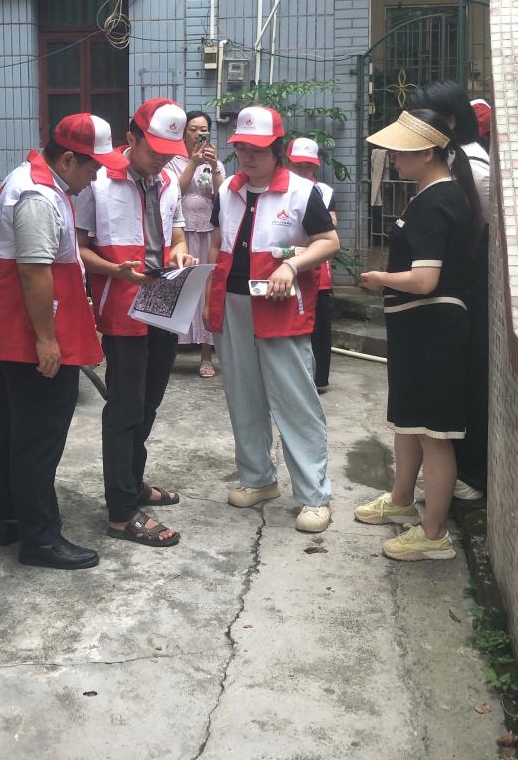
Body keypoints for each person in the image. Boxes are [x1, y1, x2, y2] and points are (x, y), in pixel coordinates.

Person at [0, 113, 126, 571]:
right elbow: (34, 271)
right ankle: (40, 538)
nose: (96, 177)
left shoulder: (33, 179)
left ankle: (11, 518)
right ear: (69, 158)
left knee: (15, 430)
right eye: (93, 167)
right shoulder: (38, 196)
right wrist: (46, 340)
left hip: (16, 331)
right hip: (31, 333)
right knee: (40, 437)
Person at [355, 109, 484, 561]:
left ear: (428, 152)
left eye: (400, 151)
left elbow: (425, 279)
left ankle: (433, 536)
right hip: (419, 330)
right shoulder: (433, 195)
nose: (393, 158)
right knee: (410, 424)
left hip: (433, 331)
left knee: (434, 434)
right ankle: (401, 501)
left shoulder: (435, 201)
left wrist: (380, 278)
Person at [205, 106, 340, 533]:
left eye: (257, 150)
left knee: (295, 400)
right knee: (242, 395)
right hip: (233, 303)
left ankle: (314, 495)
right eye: (242, 148)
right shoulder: (227, 189)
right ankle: (258, 478)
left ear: (277, 149)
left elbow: (328, 242)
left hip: (280, 306)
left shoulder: (302, 192)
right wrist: (206, 292)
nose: (248, 157)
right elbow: (217, 244)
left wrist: (292, 265)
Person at [76, 98, 194, 549]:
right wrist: (115, 271)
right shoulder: (98, 182)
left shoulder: (168, 181)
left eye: (170, 151)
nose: (162, 159)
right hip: (122, 307)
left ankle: (132, 481)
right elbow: (78, 248)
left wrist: (181, 253)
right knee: (125, 407)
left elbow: (177, 234)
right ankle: (121, 513)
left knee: (150, 402)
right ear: (131, 138)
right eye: (155, 150)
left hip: (164, 300)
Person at [408, 81, 490, 500]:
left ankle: (471, 474)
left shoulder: (474, 169)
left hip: (467, 290)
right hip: (449, 290)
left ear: (449, 122)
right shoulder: (452, 162)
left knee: (468, 381)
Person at [167, 111, 226, 378]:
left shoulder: (215, 163)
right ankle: (169, 352)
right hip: (180, 235)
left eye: (203, 130)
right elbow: (174, 192)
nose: (198, 134)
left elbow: (223, 197)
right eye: (192, 129)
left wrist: (213, 167)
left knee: (206, 291)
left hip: (207, 235)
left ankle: (206, 356)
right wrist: (192, 162)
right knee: (178, 289)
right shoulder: (172, 161)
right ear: (183, 133)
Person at [285, 136, 338, 393]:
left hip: (317, 269)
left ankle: (318, 379)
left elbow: (332, 223)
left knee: (319, 326)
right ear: (288, 163)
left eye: (308, 166)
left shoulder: (323, 191)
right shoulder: (281, 189)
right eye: (298, 166)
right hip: (284, 265)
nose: (303, 171)